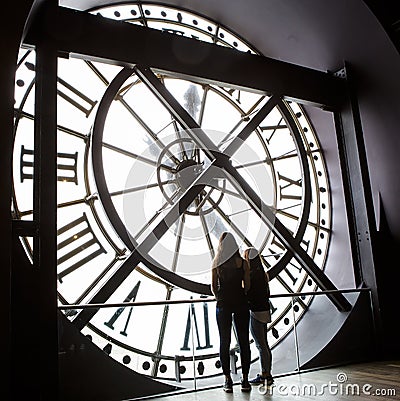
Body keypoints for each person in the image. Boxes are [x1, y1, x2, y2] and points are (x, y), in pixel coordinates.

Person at [211, 232, 251, 393]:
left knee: (224, 341)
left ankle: (227, 379)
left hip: (223, 304)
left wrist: (220, 297)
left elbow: (214, 287)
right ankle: (245, 379)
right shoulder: (242, 263)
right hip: (241, 303)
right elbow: (247, 286)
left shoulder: (217, 263)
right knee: (243, 342)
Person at [244, 247, 274, 387]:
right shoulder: (263, 274)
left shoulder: (250, 275)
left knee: (260, 345)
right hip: (264, 310)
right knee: (264, 344)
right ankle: (266, 373)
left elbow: (247, 293)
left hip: (255, 311)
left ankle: (265, 374)